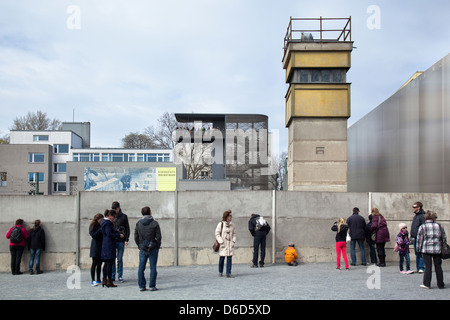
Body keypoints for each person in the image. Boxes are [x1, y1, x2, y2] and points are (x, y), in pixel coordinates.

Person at [134, 206, 162, 292]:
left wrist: (139, 245)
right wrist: (157, 245)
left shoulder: (138, 223)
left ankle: (142, 286)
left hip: (143, 247)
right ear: (150, 212)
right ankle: (152, 286)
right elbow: (159, 236)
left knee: (141, 268)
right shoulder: (155, 223)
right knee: (153, 267)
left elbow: (136, 236)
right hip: (153, 247)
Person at [417, 210, 446, 289]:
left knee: (428, 267)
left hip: (426, 249)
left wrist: (418, 250)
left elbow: (419, 239)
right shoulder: (439, 226)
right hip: (437, 249)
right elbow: (444, 238)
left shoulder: (423, 226)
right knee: (438, 267)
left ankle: (427, 284)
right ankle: (440, 284)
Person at [101, 209, 123, 288]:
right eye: (113, 217)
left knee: (106, 263)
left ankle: (104, 279)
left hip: (105, 244)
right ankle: (109, 281)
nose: (114, 218)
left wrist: (117, 231)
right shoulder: (107, 223)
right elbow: (109, 233)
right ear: (110, 216)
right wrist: (118, 235)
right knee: (109, 263)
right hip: (109, 245)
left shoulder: (104, 221)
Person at [111, 201, 130, 283]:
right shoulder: (111, 216)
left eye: (115, 208)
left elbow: (127, 228)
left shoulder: (124, 216)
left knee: (119, 259)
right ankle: (112, 275)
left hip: (121, 240)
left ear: (119, 208)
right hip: (112, 240)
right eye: (113, 208)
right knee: (112, 259)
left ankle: (120, 275)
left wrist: (126, 239)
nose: (114, 210)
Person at [215, 209, 236, 278]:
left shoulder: (232, 225)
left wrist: (233, 241)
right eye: (230, 216)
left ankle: (228, 273)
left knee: (229, 258)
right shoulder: (221, 224)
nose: (231, 217)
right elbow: (217, 233)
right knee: (222, 258)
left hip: (230, 244)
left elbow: (234, 234)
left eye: (231, 216)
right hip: (223, 244)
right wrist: (221, 241)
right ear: (226, 217)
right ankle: (220, 271)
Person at [89, 213, 104, 286]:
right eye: (101, 219)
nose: (102, 221)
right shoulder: (93, 225)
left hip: (100, 246)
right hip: (95, 247)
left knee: (99, 264)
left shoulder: (101, 225)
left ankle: (98, 279)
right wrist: (100, 230)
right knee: (94, 263)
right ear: (98, 219)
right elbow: (93, 235)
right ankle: (93, 280)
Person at [410, 201, 425, 273]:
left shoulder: (422, 216)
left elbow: (423, 227)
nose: (413, 208)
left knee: (421, 252)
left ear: (418, 207)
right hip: (415, 237)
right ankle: (418, 267)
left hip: (420, 238)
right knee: (417, 253)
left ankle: (421, 267)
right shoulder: (416, 216)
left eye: (414, 207)